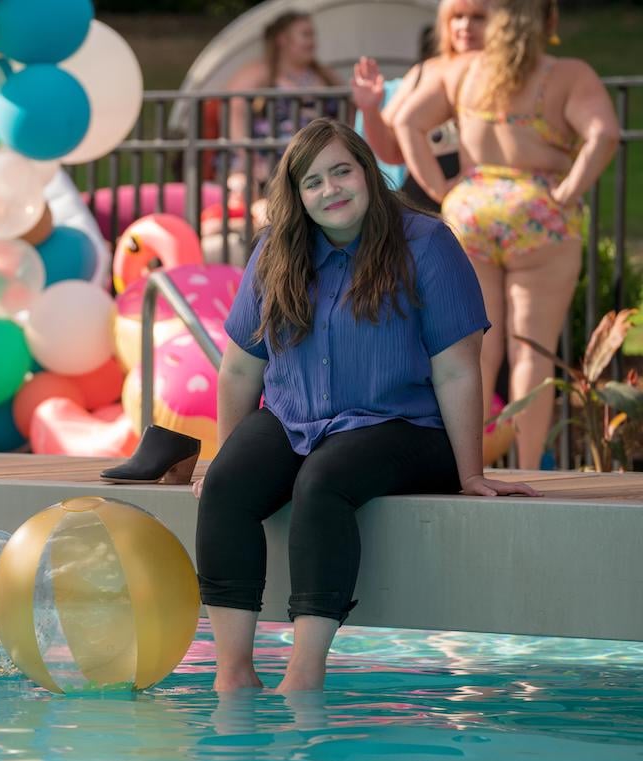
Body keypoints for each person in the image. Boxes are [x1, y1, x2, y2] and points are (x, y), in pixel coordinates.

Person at [194, 118, 539, 694]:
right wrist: (226, 454)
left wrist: (471, 473)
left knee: (322, 482)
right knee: (227, 486)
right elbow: (238, 367)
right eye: (312, 182)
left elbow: (456, 368)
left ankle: (303, 673)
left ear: (367, 172)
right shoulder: (276, 249)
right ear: (296, 196)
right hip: (295, 417)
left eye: (341, 172)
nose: (330, 190)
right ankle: (233, 673)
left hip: (404, 425)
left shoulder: (426, 244)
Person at [394, 0, 620, 469]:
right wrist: (568, 191)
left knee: (476, 350)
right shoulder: (569, 74)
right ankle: (528, 466)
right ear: (549, 22)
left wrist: (439, 189)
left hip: (473, 209)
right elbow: (603, 133)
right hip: (539, 213)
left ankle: (466, 467)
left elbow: (406, 121)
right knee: (531, 353)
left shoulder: (463, 70)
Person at [351, 0, 488, 210]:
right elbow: (391, 152)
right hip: (423, 209)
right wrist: (370, 110)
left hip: (486, 201)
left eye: (478, 17)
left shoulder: (509, 75)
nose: (465, 26)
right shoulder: (422, 72)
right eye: (457, 17)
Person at [223, 11, 344, 205]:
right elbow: (235, 110)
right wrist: (248, 156)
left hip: (318, 155)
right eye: (305, 34)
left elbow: (350, 106)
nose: (312, 41)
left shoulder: (324, 74)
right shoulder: (261, 71)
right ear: (282, 39)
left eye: (313, 35)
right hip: (268, 159)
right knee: (243, 190)